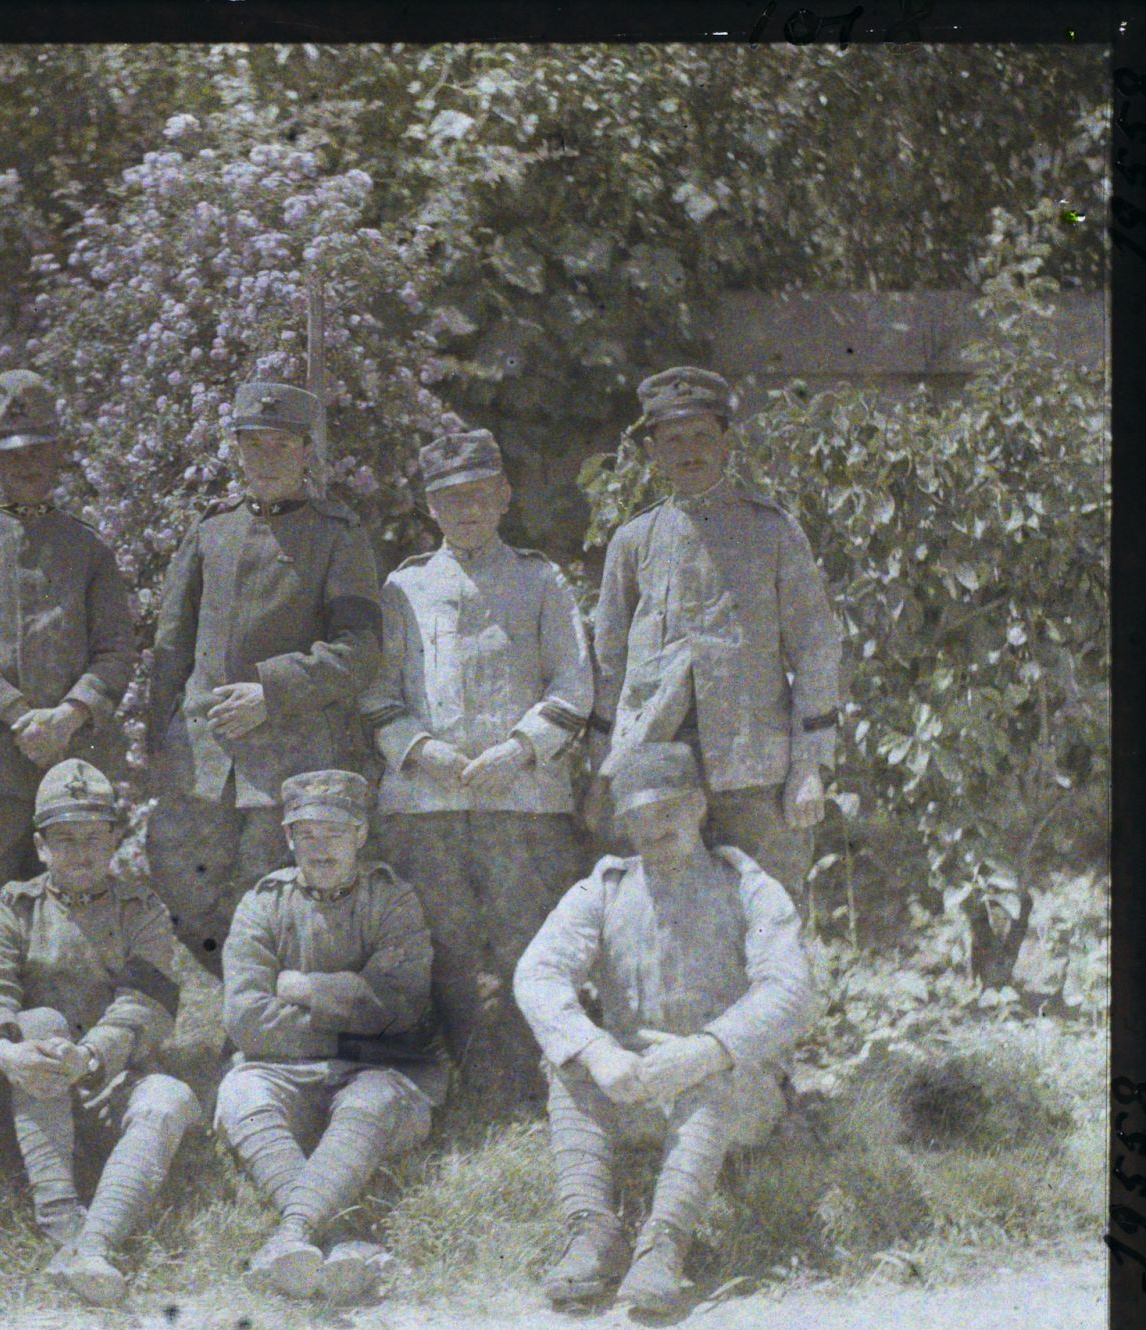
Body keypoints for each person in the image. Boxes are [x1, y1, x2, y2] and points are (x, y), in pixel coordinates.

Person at [513, 743, 821, 1319]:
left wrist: (708, 1050)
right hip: (635, 1084)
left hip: (735, 1092)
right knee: (566, 1061)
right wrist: (599, 1050)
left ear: (700, 807)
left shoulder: (749, 887)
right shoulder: (602, 891)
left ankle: (665, 1245)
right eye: (637, 820)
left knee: (711, 1078)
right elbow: (537, 973)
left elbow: (790, 992)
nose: (653, 831)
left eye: (668, 813)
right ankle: (592, 1233)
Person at [363, 428, 593, 1105]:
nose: (465, 509)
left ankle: (525, 1081)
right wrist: (419, 749)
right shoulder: (403, 588)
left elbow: (575, 683)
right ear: (430, 508)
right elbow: (376, 692)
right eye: (449, 498)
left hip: (524, 802)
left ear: (503, 497)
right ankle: (460, 1078)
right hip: (427, 805)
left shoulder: (540, 580)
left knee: (525, 939)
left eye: (478, 495)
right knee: (445, 944)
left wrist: (520, 748)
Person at [145, 381, 382, 968]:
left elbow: (360, 647)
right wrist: (158, 742)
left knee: (272, 895)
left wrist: (271, 690)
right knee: (182, 884)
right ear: (237, 452)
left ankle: (260, 1021)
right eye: (254, 445)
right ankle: (242, 995)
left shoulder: (337, 536)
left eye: (281, 444)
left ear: (307, 451)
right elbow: (171, 647)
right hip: (201, 762)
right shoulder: (211, 531)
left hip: (287, 761)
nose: (267, 459)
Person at [586, 365, 843, 907]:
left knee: (768, 917)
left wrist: (809, 767)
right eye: (673, 439)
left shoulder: (772, 532)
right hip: (659, 769)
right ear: (653, 451)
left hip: (756, 770)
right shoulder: (634, 542)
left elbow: (817, 649)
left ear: (727, 443)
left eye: (703, 435)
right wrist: (600, 772)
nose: (689, 450)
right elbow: (608, 666)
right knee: (668, 919)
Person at [0, 759, 202, 1306]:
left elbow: (147, 1002)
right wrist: (7, 1053)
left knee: (170, 1099)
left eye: (94, 837)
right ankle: (58, 1214)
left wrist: (92, 1056)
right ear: (41, 846)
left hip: (107, 1077)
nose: (80, 852)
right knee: (40, 1022)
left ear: (117, 839)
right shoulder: (13, 908)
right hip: (27, 1093)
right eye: (64, 839)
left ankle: (92, 1244)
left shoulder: (141, 910)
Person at [0, 370, 136, 931]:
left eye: (39, 449)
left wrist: (68, 716)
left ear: (59, 451)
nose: (27, 464)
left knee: (76, 921)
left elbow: (116, 648)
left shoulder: (87, 546)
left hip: (71, 766)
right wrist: (17, 717)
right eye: (11, 453)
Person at [214, 769, 440, 1305]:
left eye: (335, 833)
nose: (321, 848)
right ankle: (341, 1239)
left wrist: (309, 989)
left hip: (376, 1077)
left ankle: (290, 1236)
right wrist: (357, 1019)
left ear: (360, 834)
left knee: (375, 1098)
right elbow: (246, 1019)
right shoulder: (262, 903)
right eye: (307, 835)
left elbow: (403, 1007)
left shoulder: (393, 899)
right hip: (290, 1073)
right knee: (242, 1093)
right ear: (288, 839)